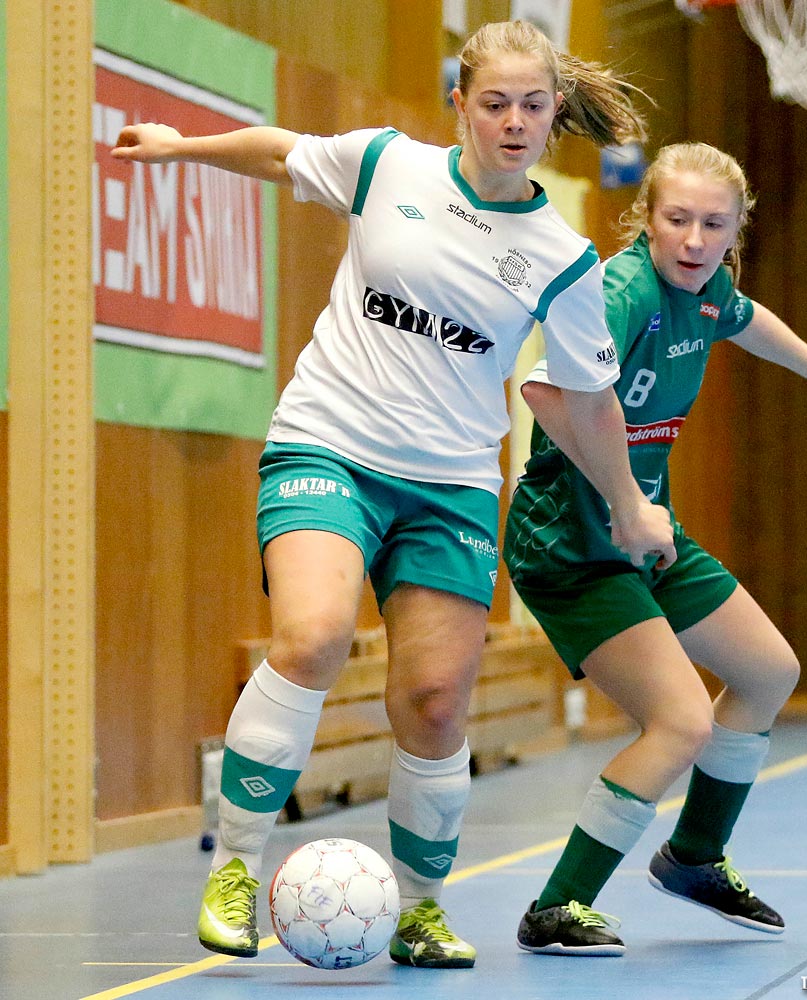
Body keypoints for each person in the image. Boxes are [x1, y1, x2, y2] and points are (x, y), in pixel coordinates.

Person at [111, 20, 676, 970]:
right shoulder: (386, 165)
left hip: (450, 483)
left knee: (434, 700)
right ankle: (237, 872)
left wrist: (627, 501)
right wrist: (180, 148)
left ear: (552, 115)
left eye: (531, 105)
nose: (512, 121)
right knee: (314, 635)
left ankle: (418, 908)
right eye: (492, 102)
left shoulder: (563, 257)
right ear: (459, 104)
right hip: (328, 445)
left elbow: (587, 398)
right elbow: (280, 149)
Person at [503, 141, 807, 955]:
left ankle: (692, 857)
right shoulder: (619, 292)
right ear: (646, 220)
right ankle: (556, 906)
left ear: (734, 233)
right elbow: (543, 392)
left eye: (711, 225)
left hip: (645, 526)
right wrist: (623, 502)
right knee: (680, 720)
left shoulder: (710, 290)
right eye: (676, 220)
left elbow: (748, 321)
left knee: (766, 671)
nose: (692, 240)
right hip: (571, 540)